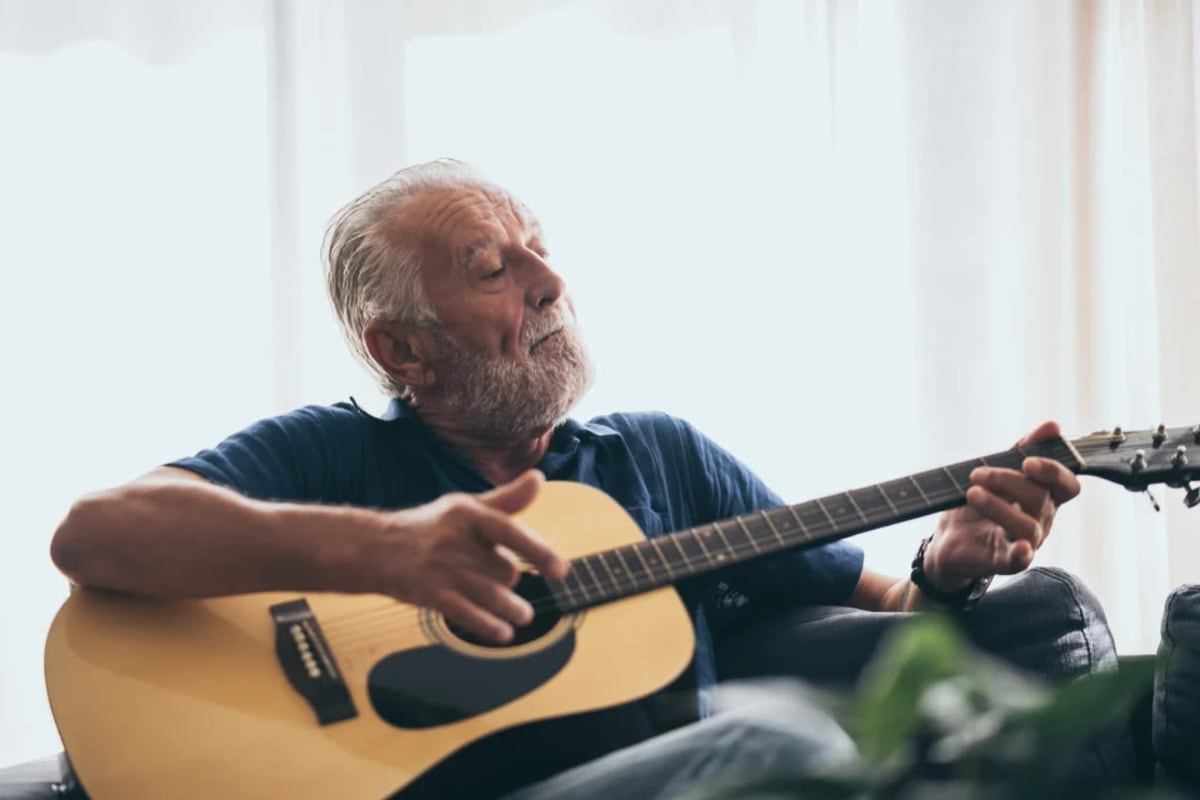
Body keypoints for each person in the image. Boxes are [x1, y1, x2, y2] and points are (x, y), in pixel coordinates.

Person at [50, 160, 1087, 799]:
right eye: (492, 267)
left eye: (538, 250)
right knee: (777, 741)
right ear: (402, 352)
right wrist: (387, 550)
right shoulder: (335, 454)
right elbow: (95, 535)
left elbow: (894, 607)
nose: (550, 283)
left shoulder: (660, 458)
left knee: (782, 738)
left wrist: (951, 564)